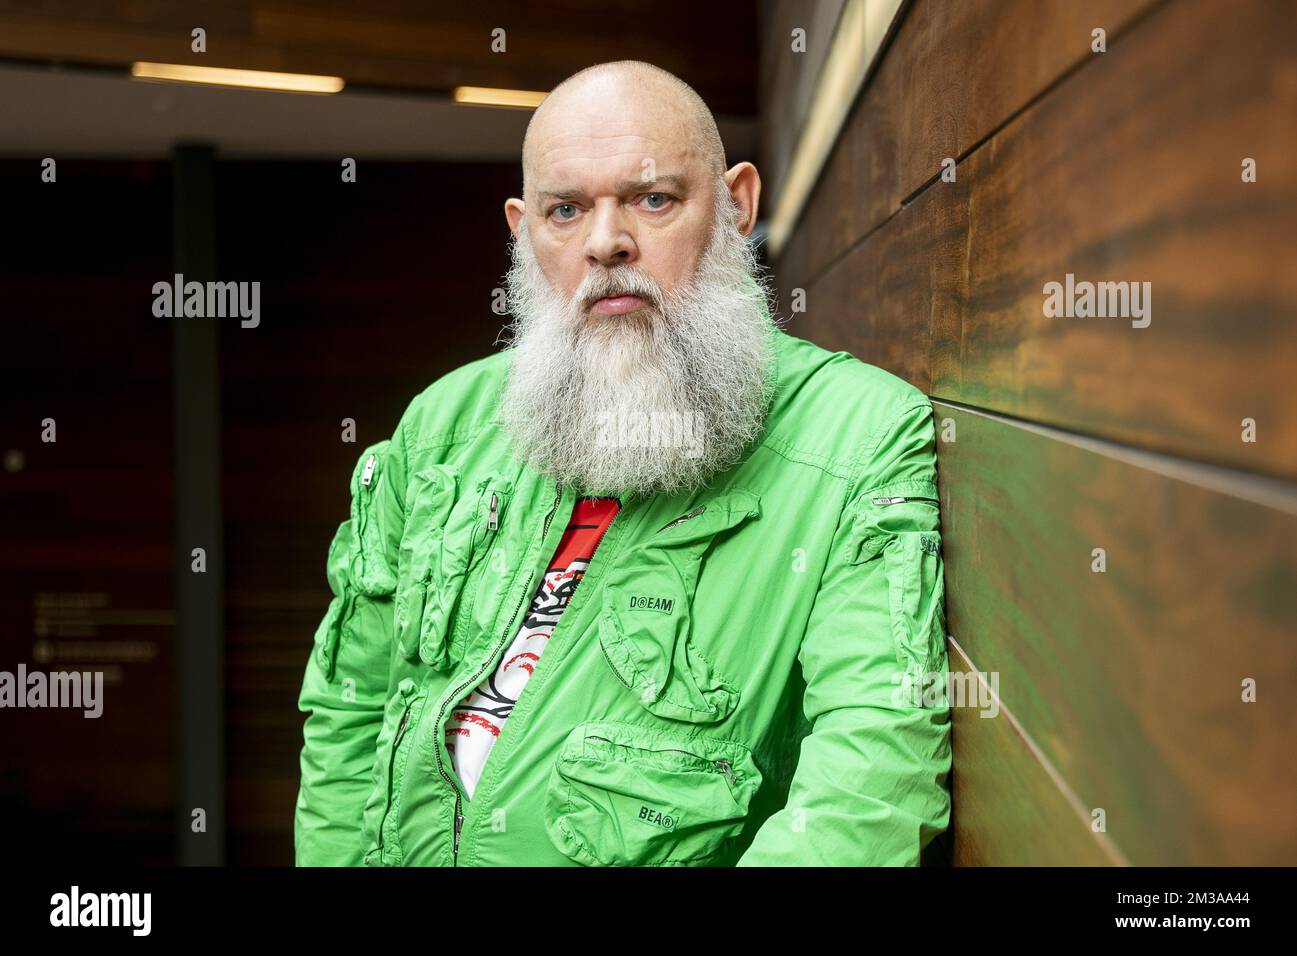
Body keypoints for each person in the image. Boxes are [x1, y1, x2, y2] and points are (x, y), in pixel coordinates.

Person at [293, 59, 952, 867]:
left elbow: (868, 785)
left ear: (736, 206)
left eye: (653, 199)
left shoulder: (858, 437)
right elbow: (347, 712)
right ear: (523, 230)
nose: (606, 242)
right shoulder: (443, 426)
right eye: (565, 210)